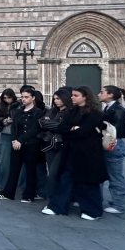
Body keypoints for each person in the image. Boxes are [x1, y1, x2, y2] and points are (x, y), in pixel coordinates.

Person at [44, 86, 107, 220]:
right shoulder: (72, 111)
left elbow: (84, 131)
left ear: (85, 97)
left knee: (88, 182)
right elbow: (62, 128)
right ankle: (58, 207)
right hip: (71, 151)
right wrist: (73, 129)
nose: (72, 97)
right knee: (65, 179)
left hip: (88, 153)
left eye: (76, 95)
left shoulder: (94, 113)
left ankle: (92, 211)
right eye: (72, 95)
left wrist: (72, 130)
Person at [0, 88, 45, 202]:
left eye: (26, 97)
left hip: (31, 144)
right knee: (14, 169)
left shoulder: (38, 112)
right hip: (17, 144)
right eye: (22, 97)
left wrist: (20, 140)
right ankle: (8, 193)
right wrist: (14, 140)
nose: (24, 99)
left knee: (30, 169)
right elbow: (15, 128)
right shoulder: (18, 112)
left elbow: (34, 129)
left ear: (33, 98)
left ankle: (29, 195)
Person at [39, 87, 72, 215]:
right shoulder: (51, 111)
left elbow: (64, 127)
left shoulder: (70, 112)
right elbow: (42, 122)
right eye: (55, 99)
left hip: (62, 145)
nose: (56, 101)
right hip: (50, 145)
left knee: (54, 174)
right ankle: (55, 200)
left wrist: (53, 125)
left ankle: (55, 202)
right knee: (52, 172)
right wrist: (57, 125)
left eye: (58, 98)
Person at [100, 85, 125, 213]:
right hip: (108, 143)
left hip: (112, 144)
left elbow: (115, 131)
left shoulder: (118, 110)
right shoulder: (109, 108)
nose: (99, 94)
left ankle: (118, 204)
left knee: (115, 176)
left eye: (102, 92)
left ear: (110, 95)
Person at [0, 89, 19, 192]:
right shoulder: (2, 107)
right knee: (4, 161)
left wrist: (13, 120)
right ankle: (2, 184)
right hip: (5, 134)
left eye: (9, 97)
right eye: (4, 98)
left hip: (17, 135)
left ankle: (17, 185)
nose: (7, 99)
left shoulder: (18, 106)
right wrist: (4, 120)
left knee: (18, 162)